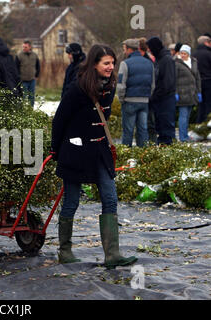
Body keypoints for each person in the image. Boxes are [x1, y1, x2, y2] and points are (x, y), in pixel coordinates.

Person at [51, 44, 138, 269]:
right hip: (75, 150)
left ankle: (112, 254)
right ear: (94, 64)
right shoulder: (78, 87)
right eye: (106, 63)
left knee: (110, 198)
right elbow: (59, 119)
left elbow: (104, 118)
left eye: (112, 63)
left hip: (99, 150)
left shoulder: (109, 87)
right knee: (71, 201)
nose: (110, 67)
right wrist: (55, 150)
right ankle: (65, 250)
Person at [117, 39, 154, 147]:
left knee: (128, 131)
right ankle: (143, 155)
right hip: (144, 101)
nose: (124, 52)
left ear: (129, 49)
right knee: (143, 130)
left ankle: (126, 154)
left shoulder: (125, 64)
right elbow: (153, 84)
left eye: (124, 49)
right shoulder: (149, 63)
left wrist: (121, 99)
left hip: (129, 101)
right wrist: (147, 96)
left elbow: (121, 84)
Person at [146, 37, 177, 145]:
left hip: (165, 99)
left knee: (166, 127)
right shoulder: (159, 59)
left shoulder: (166, 60)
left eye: (150, 48)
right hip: (159, 100)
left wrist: (155, 96)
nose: (149, 51)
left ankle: (168, 149)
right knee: (160, 126)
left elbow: (167, 83)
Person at [175, 44, 201, 142]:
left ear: (188, 54)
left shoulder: (194, 62)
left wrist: (199, 92)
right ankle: (183, 137)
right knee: (183, 116)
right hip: (182, 94)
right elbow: (174, 79)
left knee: (187, 116)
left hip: (192, 93)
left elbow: (197, 78)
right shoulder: (177, 64)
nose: (183, 55)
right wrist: (175, 92)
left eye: (185, 53)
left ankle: (185, 134)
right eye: (181, 53)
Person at [192, 35, 211, 123]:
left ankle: (199, 123)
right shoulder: (208, 54)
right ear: (206, 43)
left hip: (197, 83)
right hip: (208, 81)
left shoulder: (193, 55)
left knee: (201, 105)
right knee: (208, 104)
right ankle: (207, 123)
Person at [15, 40, 40, 106]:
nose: (24, 48)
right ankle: (23, 111)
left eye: (25, 47)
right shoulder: (19, 55)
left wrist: (36, 75)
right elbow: (16, 68)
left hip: (32, 79)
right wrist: (18, 77)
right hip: (23, 80)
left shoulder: (34, 55)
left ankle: (31, 110)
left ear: (29, 47)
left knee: (31, 97)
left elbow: (38, 66)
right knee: (23, 97)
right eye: (23, 47)